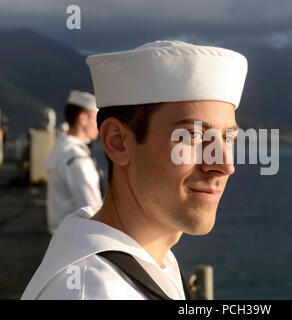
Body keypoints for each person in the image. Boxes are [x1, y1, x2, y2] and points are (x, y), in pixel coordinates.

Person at [21, 40, 247, 300]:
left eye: (228, 138)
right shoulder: (92, 291)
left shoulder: (154, 262)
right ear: (118, 141)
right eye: (193, 135)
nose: (224, 165)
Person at [44, 90, 103, 234]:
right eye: (96, 119)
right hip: (77, 237)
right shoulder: (76, 158)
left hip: (61, 235)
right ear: (82, 119)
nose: (99, 125)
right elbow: (93, 209)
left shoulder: (61, 145)